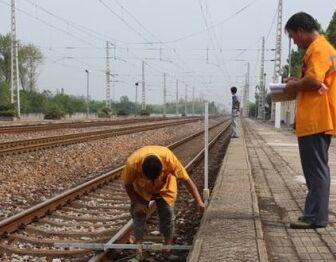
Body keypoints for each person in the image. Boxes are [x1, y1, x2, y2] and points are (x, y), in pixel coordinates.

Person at [284, 12, 336, 229]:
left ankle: (316, 217)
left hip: (317, 118)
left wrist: (293, 86)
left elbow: (314, 80)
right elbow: (314, 79)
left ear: (301, 31)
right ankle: (314, 214)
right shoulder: (320, 49)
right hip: (315, 119)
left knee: (316, 171)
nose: (294, 42)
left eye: (293, 37)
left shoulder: (320, 49)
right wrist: (297, 81)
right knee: (315, 170)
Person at [122, 145, 205, 251]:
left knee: (168, 214)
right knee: (138, 213)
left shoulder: (169, 160)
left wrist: (199, 201)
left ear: (162, 171)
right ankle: (138, 244)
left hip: (165, 188)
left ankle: (168, 245)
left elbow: (187, 180)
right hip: (141, 189)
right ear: (142, 172)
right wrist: (137, 202)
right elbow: (127, 184)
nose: (153, 184)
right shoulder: (132, 164)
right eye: (149, 180)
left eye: (155, 180)